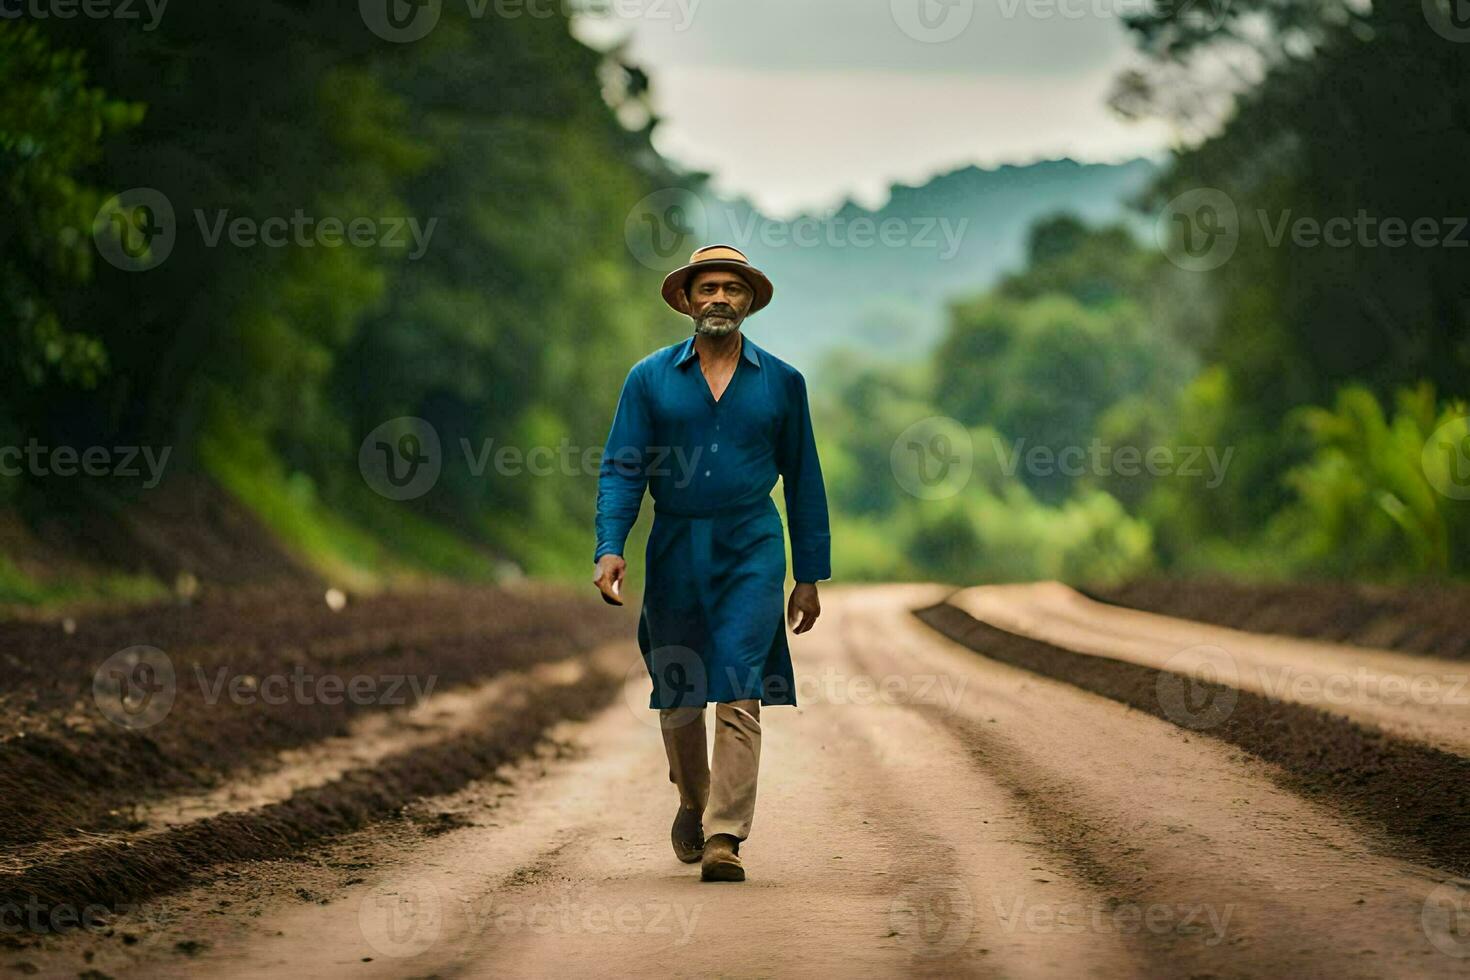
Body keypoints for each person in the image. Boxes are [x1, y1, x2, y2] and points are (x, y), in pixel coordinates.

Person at [592, 244, 832, 882]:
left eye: (732, 288)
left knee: (738, 678)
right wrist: (610, 545)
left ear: (749, 300)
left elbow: (804, 479)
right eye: (708, 289)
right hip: (674, 544)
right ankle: (693, 803)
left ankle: (726, 834)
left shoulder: (783, 382)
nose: (720, 297)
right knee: (678, 687)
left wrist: (809, 575)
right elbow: (622, 467)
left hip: (752, 543)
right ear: (687, 301)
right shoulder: (649, 379)